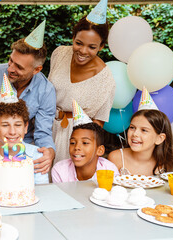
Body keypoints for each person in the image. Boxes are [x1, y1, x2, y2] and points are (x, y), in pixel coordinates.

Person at [0, 20, 56, 176]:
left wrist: (49, 152)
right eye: (11, 61)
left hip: (23, 150)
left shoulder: (46, 90)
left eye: (19, 67)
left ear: (37, 69)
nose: (10, 69)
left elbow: (42, 133)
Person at [48, 1, 116, 165]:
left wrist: (82, 152)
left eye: (92, 47)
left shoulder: (106, 79)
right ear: (73, 38)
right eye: (78, 43)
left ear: (101, 47)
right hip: (46, 129)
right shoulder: (59, 54)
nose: (83, 51)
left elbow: (97, 125)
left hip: (75, 138)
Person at [52, 101, 118, 183]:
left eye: (85, 143)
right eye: (72, 143)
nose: (77, 147)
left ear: (100, 150)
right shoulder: (60, 170)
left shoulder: (109, 170)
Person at [108, 110, 173, 176]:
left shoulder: (171, 160)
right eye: (132, 127)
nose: (135, 134)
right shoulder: (116, 158)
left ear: (159, 138)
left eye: (144, 130)